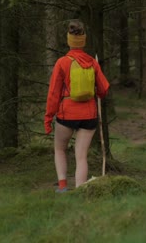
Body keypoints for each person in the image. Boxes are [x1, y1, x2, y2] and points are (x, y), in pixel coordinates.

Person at [44, 19, 109, 193]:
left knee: (59, 148)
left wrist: (48, 118)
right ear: (83, 41)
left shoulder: (62, 63)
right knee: (81, 156)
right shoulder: (92, 63)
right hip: (89, 116)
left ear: (69, 41)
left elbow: (53, 94)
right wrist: (98, 94)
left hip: (67, 115)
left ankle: (63, 187)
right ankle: (80, 191)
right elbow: (104, 89)